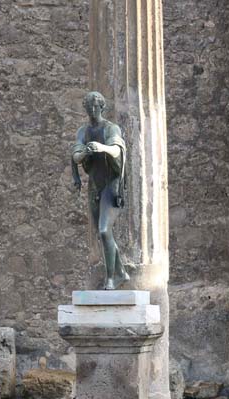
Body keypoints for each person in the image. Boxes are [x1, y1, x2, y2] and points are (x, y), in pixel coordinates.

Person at [70, 91, 130, 290]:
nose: (92, 110)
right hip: (94, 187)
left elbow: (116, 149)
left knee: (105, 230)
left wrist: (101, 148)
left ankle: (110, 279)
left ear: (102, 107)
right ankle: (121, 272)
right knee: (103, 233)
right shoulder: (83, 131)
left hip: (111, 187)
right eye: (89, 107)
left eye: (96, 106)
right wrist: (85, 151)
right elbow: (76, 156)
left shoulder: (111, 128)